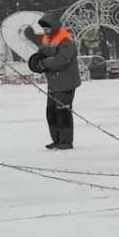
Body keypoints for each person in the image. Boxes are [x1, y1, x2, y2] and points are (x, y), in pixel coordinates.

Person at [33, 11, 81, 150]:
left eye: (47, 28)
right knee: (51, 113)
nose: (45, 30)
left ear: (54, 26)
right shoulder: (47, 39)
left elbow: (63, 59)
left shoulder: (65, 40)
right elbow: (43, 53)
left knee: (63, 113)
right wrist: (36, 59)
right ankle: (56, 139)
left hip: (66, 83)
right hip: (54, 83)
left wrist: (43, 63)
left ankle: (66, 142)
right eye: (43, 28)